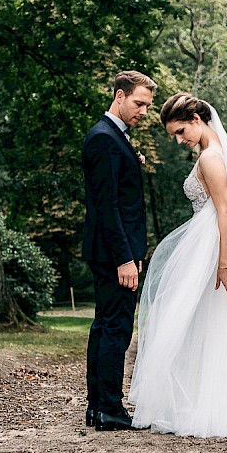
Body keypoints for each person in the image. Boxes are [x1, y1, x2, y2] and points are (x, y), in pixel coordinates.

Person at [129, 93, 227, 437]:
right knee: (209, 320)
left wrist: (224, 263)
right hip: (214, 240)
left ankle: (220, 407)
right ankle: (220, 404)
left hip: (216, 244)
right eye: (175, 134)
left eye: (181, 131)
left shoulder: (211, 158)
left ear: (197, 120)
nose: (179, 139)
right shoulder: (215, 152)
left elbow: (224, 210)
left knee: (205, 318)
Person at [81, 70, 156, 431]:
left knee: (106, 326)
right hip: (113, 255)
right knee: (116, 328)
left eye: (147, 105)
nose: (143, 111)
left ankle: (99, 407)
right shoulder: (104, 140)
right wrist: (125, 258)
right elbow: (107, 207)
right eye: (139, 103)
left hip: (112, 252)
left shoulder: (112, 138)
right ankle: (109, 408)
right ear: (120, 96)